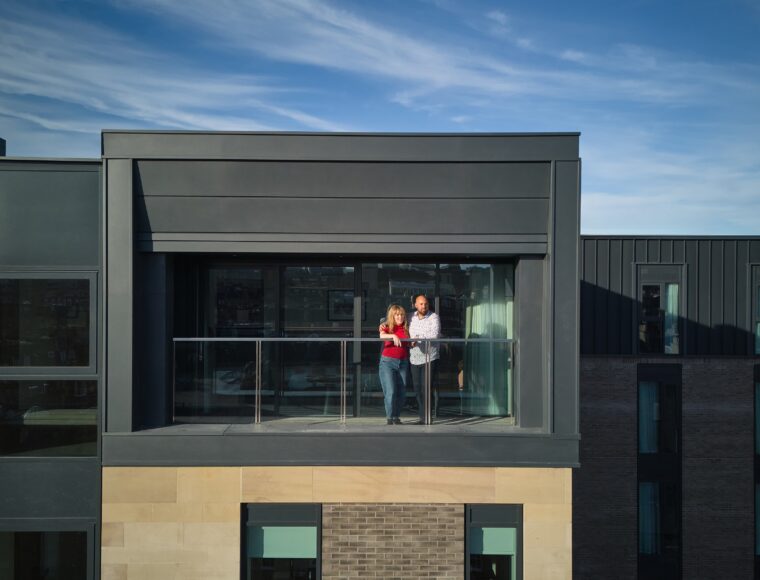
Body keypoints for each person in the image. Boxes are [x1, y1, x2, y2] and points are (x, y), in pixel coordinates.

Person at [408, 294, 441, 423]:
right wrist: (383, 325)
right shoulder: (410, 317)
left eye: (425, 303)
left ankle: (427, 417)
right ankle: (423, 416)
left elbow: (434, 334)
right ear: (415, 305)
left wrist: (417, 337)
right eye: (421, 304)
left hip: (430, 358)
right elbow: (397, 322)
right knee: (417, 389)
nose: (423, 306)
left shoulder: (434, 317)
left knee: (426, 388)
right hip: (414, 358)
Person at [378, 304, 411, 425]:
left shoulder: (406, 328)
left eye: (402, 314)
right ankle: (390, 417)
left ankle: (396, 416)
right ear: (392, 315)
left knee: (401, 392)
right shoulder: (386, 326)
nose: (400, 317)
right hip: (387, 362)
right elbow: (381, 336)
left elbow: (409, 344)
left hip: (403, 362)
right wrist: (393, 335)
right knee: (390, 391)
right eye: (397, 314)